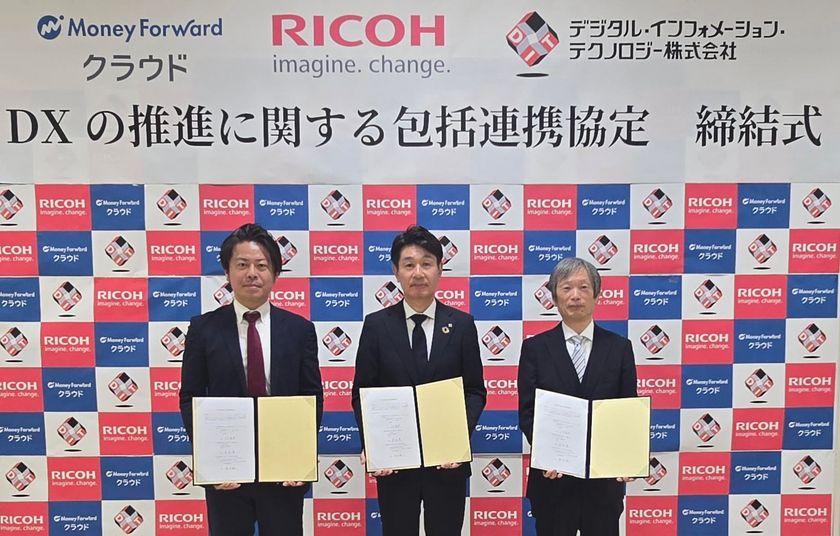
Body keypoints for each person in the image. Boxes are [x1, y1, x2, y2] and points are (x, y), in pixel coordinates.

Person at [179, 223, 323, 536]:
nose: (252, 274)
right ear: (227, 272)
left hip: (283, 470)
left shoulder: (299, 330)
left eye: (261, 265)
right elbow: (190, 396)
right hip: (227, 472)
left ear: (275, 273)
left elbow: (311, 397)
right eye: (242, 265)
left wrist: (300, 457)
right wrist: (209, 459)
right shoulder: (203, 329)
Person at [351, 225, 486, 536]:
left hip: (448, 464)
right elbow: (362, 393)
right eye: (409, 264)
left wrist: (456, 439)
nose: (418, 273)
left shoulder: (462, 325)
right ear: (395, 271)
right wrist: (374, 443)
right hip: (395, 464)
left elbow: (475, 391)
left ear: (440, 268)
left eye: (426, 263)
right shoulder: (376, 326)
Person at [518, 257, 638, 536]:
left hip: (603, 483)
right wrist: (549, 454)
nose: (575, 295)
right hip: (552, 480)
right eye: (566, 288)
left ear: (597, 294)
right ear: (554, 297)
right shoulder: (535, 349)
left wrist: (625, 459)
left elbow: (626, 410)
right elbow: (528, 412)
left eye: (584, 287)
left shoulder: (620, 348)